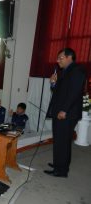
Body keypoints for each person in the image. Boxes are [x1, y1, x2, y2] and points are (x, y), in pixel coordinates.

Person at [45, 48, 86, 178]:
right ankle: (59, 164)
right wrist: (53, 84)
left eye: (60, 58)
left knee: (62, 141)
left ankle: (61, 171)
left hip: (66, 113)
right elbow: (59, 92)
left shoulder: (77, 70)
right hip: (61, 112)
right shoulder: (65, 72)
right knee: (60, 140)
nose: (57, 61)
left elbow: (74, 93)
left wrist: (64, 110)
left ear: (69, 57)